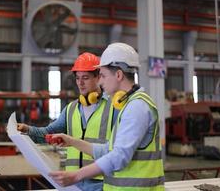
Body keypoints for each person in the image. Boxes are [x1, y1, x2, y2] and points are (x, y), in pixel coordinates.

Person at [49, 43, 165, 191]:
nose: (101, 81)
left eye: (103, 75)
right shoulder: (128, 105)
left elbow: (119, 156)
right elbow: (109, 151)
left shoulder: (137, 107)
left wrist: (77, 175)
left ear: (118, 75)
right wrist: (71, 141)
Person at [17, 52, 114, 191]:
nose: (80, 83)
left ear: (98, 77)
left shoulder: (112, 108)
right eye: (78, 78)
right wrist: (27, 129)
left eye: (85, 78)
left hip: (101, 182)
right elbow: (47, 134)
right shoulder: (71, 109)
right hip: (73, 182)